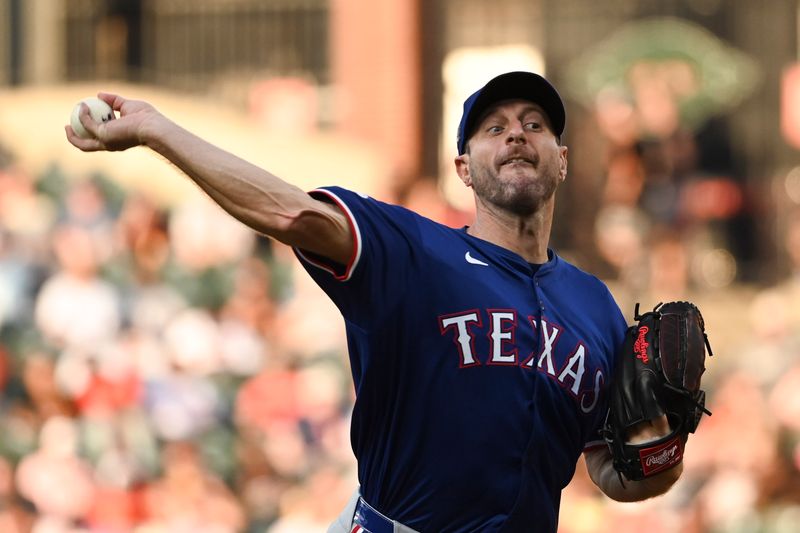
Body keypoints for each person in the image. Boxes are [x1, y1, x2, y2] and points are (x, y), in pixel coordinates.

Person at [66, 71, 683, 533]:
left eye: (534, 124)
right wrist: (156, 130)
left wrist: (664, 447)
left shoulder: (595, 305)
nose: (516, 134)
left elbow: (612, 474)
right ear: (464, 169)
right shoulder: (411, 250)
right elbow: (288, 210)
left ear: (563, 159)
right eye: (493, 128)